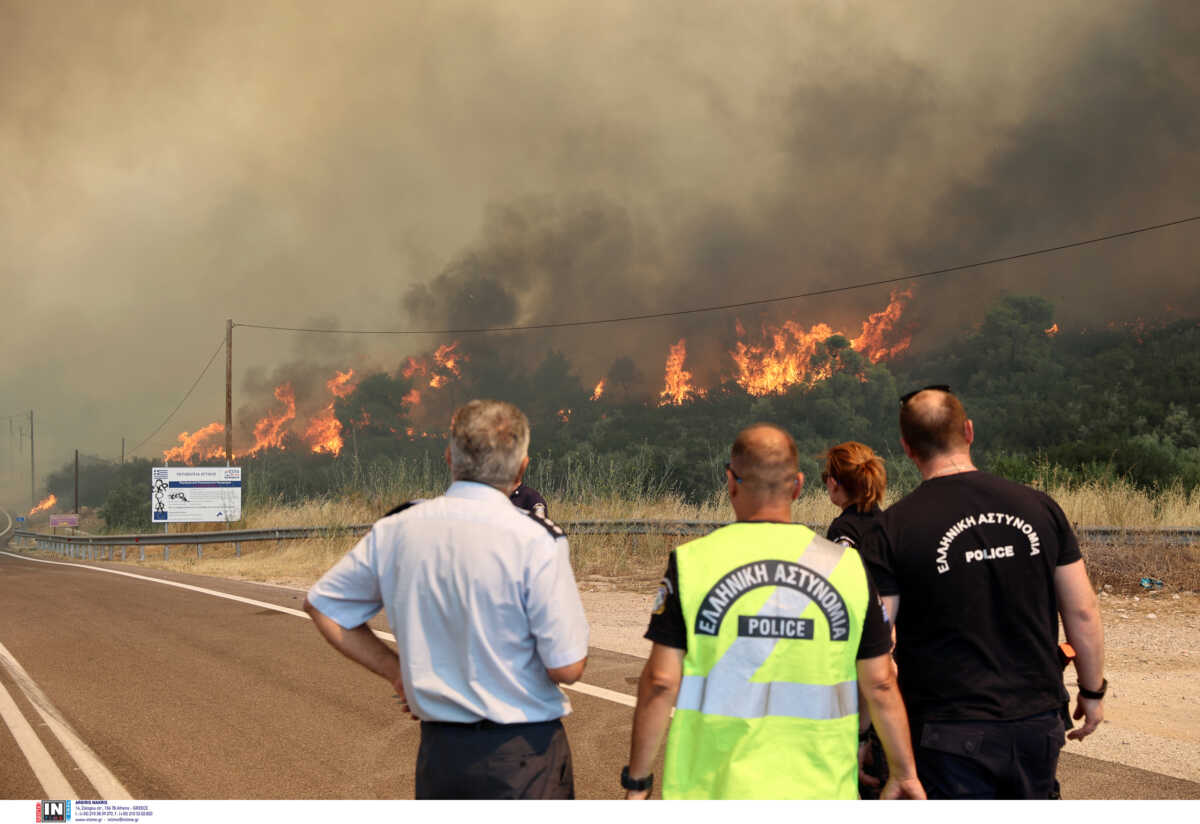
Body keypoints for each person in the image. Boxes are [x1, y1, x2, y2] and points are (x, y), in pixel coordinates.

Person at [303, 399, 590, 799]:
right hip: (524, 757)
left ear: (449, 459)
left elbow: (324, 606)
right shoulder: (536, 539)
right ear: (522, 466)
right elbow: (567, 667)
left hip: (441, 756)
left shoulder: (397, 529)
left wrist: (395, 671)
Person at [623, 423, 924, 800]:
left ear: (730, 483)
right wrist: (904, 772)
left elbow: (661, 682)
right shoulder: (845, 567)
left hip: (712, 790)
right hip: (819, 790)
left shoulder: (691, 563)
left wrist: (638, 781)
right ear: (798, 486)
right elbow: (880, 683)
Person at [861, 385, 1105, 799]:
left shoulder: (892, 529)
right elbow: (1082, 611)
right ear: (969, 431)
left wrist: (865, 733)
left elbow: (878, 647)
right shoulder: (1039, 507)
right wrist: (1092, 690)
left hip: (946, 732)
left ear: (907, 447)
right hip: (1036, 719)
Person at [821, 441, 890, 798]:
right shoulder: (892, 524)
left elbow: (846, 616)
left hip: (865, 677)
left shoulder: (841, 532)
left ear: (834, 483)